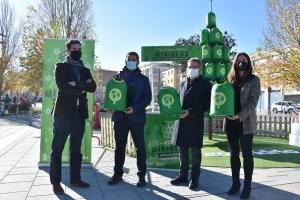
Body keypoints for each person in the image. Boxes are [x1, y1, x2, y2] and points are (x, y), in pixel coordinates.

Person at [50, 40, 96, 195]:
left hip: (79, 115)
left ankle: (75, 179)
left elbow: (93, 87)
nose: (77, 51)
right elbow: (62, 87)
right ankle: (56, 183)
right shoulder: (60, 67)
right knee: (57, 149)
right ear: (68, 51)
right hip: (63, 114)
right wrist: (82, 86)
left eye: (79, 48)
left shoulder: (85, 69)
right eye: (74, 49)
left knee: (76, 149)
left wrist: (75, 84)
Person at [108, 51, 151, 187]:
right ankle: (117, 174)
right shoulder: (117, 77)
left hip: (137, 118)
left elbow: (147, 98)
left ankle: (141, 176)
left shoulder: (144, 79)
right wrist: (111, 106)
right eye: (129, 59)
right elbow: (112, 95)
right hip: (120, 118)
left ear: (138, 62)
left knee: (140, 148)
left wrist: (135, 108)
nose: (131, 61)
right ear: (125, 61)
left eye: (134, 59)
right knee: (119, 148)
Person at [170, 57, 211, 190]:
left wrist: (190, 111)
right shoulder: (182, 83)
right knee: (182, 152)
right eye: (190, 67)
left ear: (200, 69)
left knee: (195, 154)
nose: (192, 69)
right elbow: (177, 101)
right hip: (181, 122)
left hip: (194, 122)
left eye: (195, 67)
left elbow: (206, 105)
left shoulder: (205, 84)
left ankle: (194, 179)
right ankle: (183, 176)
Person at [225, 52, 261, 199]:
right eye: (239, 59)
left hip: (245, 122)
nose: (241, 62)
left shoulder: (254, 80)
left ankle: (247, 186)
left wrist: (239, 116)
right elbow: (223, 100)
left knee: (247, 155)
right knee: (234, 155)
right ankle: (235, 183)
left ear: (248, 62)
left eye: (244, 59)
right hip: (230, 123)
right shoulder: (229, 80)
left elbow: (252, 103)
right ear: (235, 62)